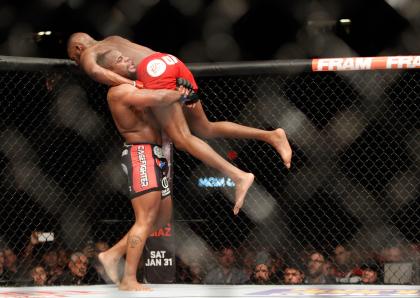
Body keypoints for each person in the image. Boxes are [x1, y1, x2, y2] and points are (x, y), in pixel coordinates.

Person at [66, 33, 292, 170]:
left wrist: (135, 85)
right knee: (205, 128)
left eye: (75, 58)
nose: (79, 63)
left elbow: (97, 72)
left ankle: (238, 175)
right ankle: (271, 135)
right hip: (169, 61)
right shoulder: (114, 40)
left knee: (181, 138)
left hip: (153, 73)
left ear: (78, 48)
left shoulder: (89, 52)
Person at [97, 82, 194, 290]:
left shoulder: (145, 93)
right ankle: (129, 279)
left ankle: (112, 254)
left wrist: (182, 99)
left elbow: (165, 108)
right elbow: (159, 98)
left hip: (155, 155)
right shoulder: (123, 91)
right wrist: (177, 94)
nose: (129, 62)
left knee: (162, 217)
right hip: (140, 154)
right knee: (145, 218)